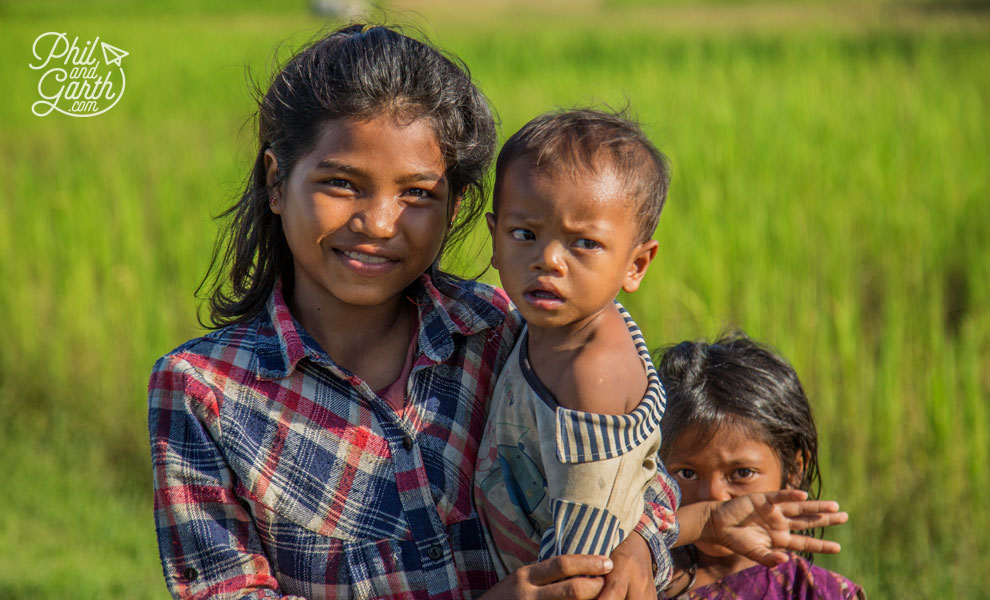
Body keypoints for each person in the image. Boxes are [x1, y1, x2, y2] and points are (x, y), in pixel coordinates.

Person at [148, 25, 669, 600]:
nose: (378, 223)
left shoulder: (497, 333)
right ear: (277, 181)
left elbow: (635, 473)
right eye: (342, 183)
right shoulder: (204, 390)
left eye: (417, 193)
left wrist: (639, 550)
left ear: (456, 207)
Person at [473, 109, 850, 599]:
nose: (548, 259)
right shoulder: (542, 328)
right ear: (495, 239)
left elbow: (590, 545)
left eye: (585, 243)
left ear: (636, 265)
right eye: (526, 234)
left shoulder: (594, 373)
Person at [656, 334, 866, 599]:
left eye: (742, 473)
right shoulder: (638, 570)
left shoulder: (814, 592)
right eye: (687, 473)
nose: (714, 495)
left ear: (793, 471)